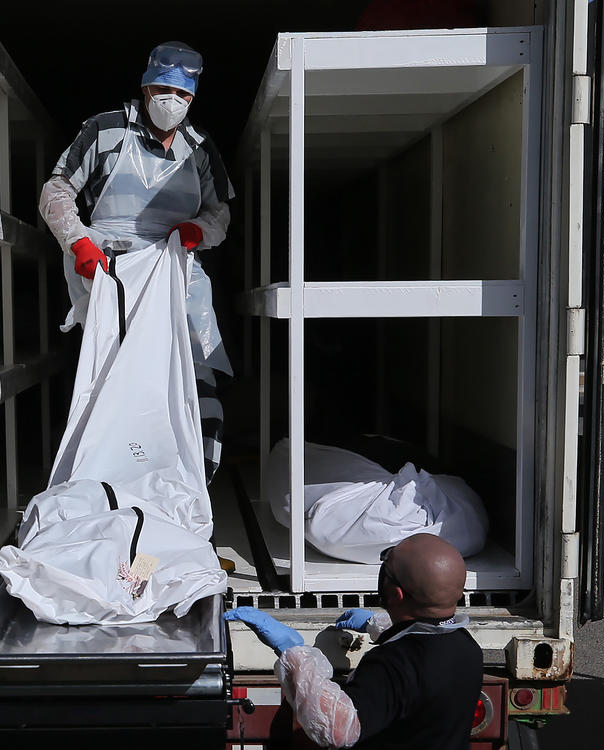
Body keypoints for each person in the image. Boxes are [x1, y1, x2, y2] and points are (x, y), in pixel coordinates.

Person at [38, 41, 233, 483]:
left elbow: (221, 211)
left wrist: (197, 231)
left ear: (194, 98)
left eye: (184, 95)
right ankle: (108, 481)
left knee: (194, 370)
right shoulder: (104, 130)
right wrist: (77, 243)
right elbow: (56, 190)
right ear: (146, 89)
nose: (173, 101)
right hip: (112, 267)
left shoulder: (199, 149)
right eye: (165, 89)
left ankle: (193, 480)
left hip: (175, 269)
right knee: (111, 373)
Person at [225, 534, 483, 749]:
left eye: (387, 567)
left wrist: (294, 652)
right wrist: (379, 625)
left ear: (395, 594)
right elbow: (425, 640)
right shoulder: (467, 648)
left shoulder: (393, 664)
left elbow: (337, 729)